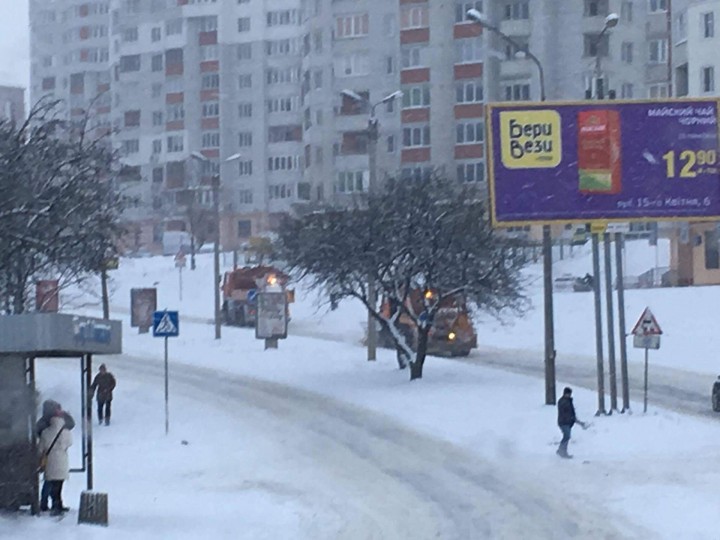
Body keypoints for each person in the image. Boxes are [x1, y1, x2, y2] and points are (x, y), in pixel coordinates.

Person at [36, 400, 75, 511]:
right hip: (62, 460)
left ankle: (44, 503)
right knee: (59, 484)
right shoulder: (66, 431)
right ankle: (57, 503)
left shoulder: (45, 431)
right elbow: (69, 443)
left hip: (50, 460)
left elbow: (40, 448)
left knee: (48, 482)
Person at [556, 387, 586, 459]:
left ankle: (562, 451)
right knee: (567, 436)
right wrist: (571, 418)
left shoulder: (568, 401)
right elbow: (566, 412)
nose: (569, 395)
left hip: (567, 422)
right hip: (563, 422)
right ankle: (561, 451)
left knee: (567, 436)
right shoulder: (563, 401)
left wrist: (573, 419)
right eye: (568, 394)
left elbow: (570, 411)